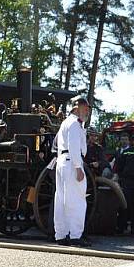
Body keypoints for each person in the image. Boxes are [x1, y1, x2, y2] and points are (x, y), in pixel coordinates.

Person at [53, 95, 90, 247]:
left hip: (62, 161)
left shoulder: (65, 123)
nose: (87, 112)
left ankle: (60, 235)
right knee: (77, 199)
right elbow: (74, 146)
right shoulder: (75, 123)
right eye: (85, 108)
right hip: (71, 162)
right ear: (77, 108)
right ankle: (75, 235)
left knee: (61, 200)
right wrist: (78, 167)